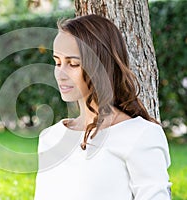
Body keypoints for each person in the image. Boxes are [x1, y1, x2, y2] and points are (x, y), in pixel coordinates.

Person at [34, 14, 171, 200]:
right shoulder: (50, 137)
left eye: (73, 64)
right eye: (57, 62)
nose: (60, 73)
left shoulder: (140, 135)